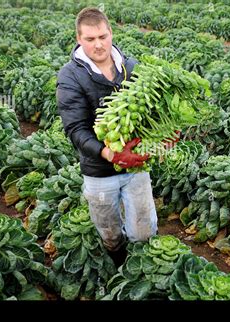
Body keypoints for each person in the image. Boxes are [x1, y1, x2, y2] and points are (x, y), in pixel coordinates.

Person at [56, 7, 157, 266]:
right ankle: (121, 265)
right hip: (99, 172)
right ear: (79, 39)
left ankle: (143, 268)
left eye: (102, 36)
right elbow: (76, 129)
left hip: (136, 165)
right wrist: (110, 154)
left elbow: (148, 114)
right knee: (110, 233)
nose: (98, 44)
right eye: (90, 39)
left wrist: (163, 134)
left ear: (111, 33)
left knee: (144, 230)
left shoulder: (131, 67)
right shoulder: (70, 76)